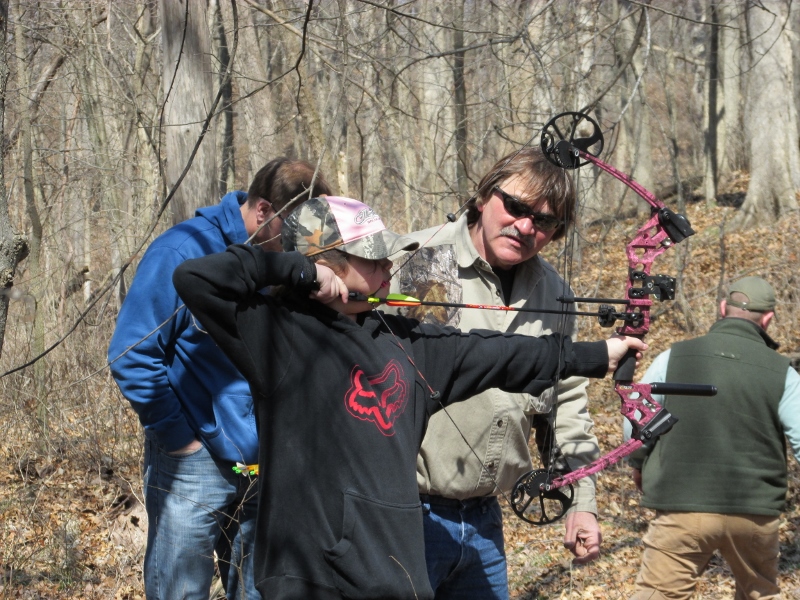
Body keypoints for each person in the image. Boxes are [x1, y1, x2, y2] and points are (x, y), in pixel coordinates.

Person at [171, 195, 646, 600]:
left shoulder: (409, 342)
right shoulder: (277, 334)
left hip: (396, 577)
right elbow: (196, 279)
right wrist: (297, 270)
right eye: (372, 259)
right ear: (327, 262)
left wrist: (596, 354)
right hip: (308, 578)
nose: (387, 268)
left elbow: (504, 354)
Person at [107, 158, 331, 600]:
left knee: (258, 590)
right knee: (179, 590)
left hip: (266, 461)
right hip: (194, 462)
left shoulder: (287, 263)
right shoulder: (183, 251)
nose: (304, 242)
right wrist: (180, 440)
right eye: (296, 228)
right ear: (263, 211)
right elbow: (132, 354)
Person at [390, 146, 600, 598]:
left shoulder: (554, 293)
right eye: (516, 207)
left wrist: (580, 502)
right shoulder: (420, 261)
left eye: (543, 221)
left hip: (484, 522)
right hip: (403, 514)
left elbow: (566, 407)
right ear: (484, 196)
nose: (524, 226)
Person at [627, 276, 800, 600]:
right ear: (767, 319)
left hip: (681, 504)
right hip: (754, 509)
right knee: (759, 594)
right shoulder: (784, 373)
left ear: (722, 308)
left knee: (658, 594)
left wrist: (638, 463)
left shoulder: (674, 357)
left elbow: (637, 416)